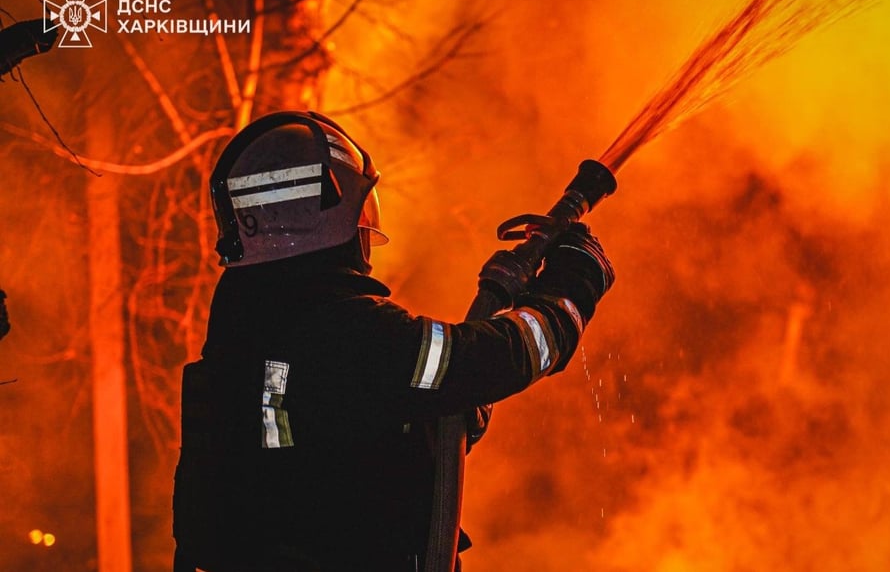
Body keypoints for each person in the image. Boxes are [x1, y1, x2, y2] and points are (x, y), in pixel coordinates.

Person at [172, 111, 614, 572]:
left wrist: (454, 406)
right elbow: (488, 360)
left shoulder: (252, 328)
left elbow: (360, 434)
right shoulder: (345, 328)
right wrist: (572, 288)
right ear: (324, 210)